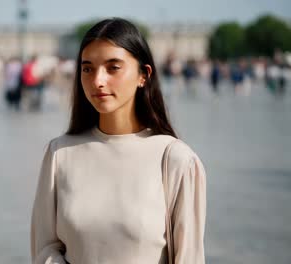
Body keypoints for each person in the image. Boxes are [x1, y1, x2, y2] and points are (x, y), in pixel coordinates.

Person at [31, 18, 206, 264]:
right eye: (87, 68)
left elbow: (189, 259)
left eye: (113, 67)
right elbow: (45, 249)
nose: (98, 81)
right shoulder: (60, 153)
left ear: (143, 75)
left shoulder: (176, 160)